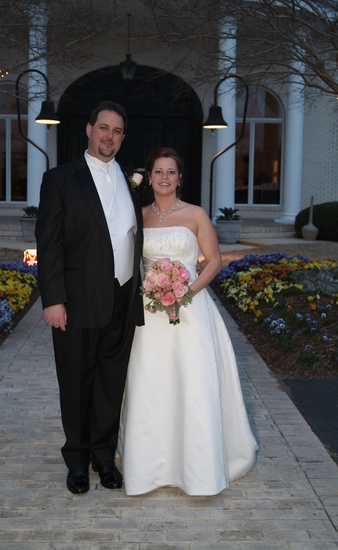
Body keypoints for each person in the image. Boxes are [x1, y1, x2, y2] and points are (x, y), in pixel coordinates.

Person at [118, 147, 258, 496]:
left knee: (192, 382)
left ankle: (198, 467)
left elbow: (214, 260)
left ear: (180, 178)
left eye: (171, 172)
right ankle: (149, 466)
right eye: (158, 171)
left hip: (190, 309)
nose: (164, 177)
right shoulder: (139, 215)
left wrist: (185, 292)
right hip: (150, 312)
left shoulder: (196, 214)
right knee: (150, 383)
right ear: (149, 177)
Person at [35, 100, 144, 495]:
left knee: (111, 382)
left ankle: (104, 457)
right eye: (103, 128)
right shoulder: (60, 179)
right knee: (76, 381)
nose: (109, 136)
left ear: (122, 137)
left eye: (116, 131)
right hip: (76, 300)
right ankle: (77, 461)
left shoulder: (131, 181)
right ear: (89, 129)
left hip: (122, 297)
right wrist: (53, 299)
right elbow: (48, 244)